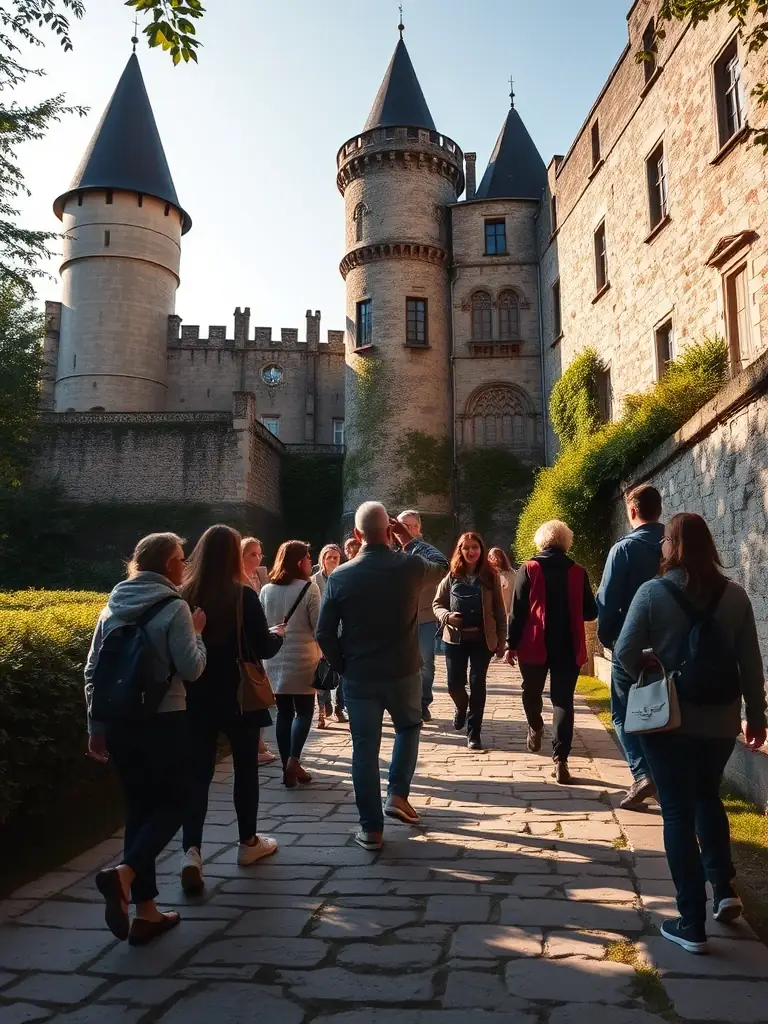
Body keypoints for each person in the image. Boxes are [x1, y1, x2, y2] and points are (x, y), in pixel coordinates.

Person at [614, 512, 767, 955]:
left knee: (677, 811)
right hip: (720, 722)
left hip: (668, 720)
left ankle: (690, 922)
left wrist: (651, 668)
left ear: (674, 546)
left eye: (665, 542)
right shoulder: (735, 596)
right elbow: (751, 664)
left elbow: (623, 652)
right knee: (708, 797)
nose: (661, 547)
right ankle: (725, 890)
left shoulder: (652, 593)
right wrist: (755, 716)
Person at [84, 532, 207, 944]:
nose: (185, 564)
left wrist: (95, 727)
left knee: (138, 810)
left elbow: (93, 674)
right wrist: (199, 632)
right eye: (181, 558)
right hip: (163, 719)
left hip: (118, 723)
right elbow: (191, 669)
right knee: (180, 801)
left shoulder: (111, 606)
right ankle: (125, 873)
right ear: (170, 564)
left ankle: (146, 912)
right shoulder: (175, 607)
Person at [316, 502, 447, 852]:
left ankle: (371, 829)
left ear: (357, 535)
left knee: (364, 749)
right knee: (408, 728)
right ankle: (398, 794)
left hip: (359, 674)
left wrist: (342, 664)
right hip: (403, 669)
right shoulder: (409, 565)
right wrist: (408, 541)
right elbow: (445, 566)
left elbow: (324, 633)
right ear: (389, 531)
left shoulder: (340, 576)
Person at [180, 525, 285, 894]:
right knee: (245, 769)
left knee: (197, 774)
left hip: (196, 695)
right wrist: (277, 634)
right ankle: (247, 843)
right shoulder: (243, 595)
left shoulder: (184, 594)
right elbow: (264, 648)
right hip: (239, 695)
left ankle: (191, 850)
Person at [505, 519, 597, 784]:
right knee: (563, 701)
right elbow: (591, 612)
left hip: (534, 643)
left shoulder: (529, 568)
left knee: (531, 692)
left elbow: (518, 611)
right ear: (566, 542)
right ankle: (561, 760)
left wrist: (511, 644)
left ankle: (535, 726)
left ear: (540, 540)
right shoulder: (578, 572)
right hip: (568, 645)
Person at [597, 484, 664, 810]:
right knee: (669, 711)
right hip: (674, 644)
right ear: (659, 510)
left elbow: (608, 602)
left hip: (632, 642)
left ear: (632, 511)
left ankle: (643, 774)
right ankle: (666, 775)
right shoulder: (676, 544)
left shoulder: (623, 550)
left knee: (625, 714)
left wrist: (608, 638)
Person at [433, 532, 506, 750]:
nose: (471, 551)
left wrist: (502, 641)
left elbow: (500, 612)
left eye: (475, 547)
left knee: (477, 684)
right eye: (467, 548)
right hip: (455, 640)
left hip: (482, 640)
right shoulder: (452, 576)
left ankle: (474, 732)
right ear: (460, 550)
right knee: (454, 685)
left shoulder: (490, 576)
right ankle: (461, 706)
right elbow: (437, 604)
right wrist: (447, 616)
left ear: (481, 550)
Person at [260, 541, 323, 788]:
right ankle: (294, 760)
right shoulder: (309, 588)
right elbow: (318, 626)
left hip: (274, 659)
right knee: (305, 711)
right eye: (308, 557)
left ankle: (286, 763)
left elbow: (263, 625)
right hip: (304, 658)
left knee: (284, 713)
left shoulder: (266, 590)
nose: (310, 561)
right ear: (300, 561)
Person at [397, 510, 449, 723]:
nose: (407, 530)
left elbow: (443, 566)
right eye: (402, 526)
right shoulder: (390, 551)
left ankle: (423, 703)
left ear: (419, 528)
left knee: (426, 662)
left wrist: (409, 543)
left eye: (410, 526)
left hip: (424, 617)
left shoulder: (426, 551)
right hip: (397, 620)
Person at [242, 536, 277, 765]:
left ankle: (259, 744)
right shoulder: (242, 583)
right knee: (254, 695)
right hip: (248, 649)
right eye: (252, 554)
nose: (258, 557)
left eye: (260, 553)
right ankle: (256, 746)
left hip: (256, 642)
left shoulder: (256, 577)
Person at [312, 544, 346, 727]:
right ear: (322, 559)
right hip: (322, 631)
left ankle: (340, 707)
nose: (333, 560)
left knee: (340, 670)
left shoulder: (343, 577)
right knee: (322, 670)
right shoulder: (314, 581)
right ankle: (322, 710)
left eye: (336, 557)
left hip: (340, 629)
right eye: (329, 557)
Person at [488, 547, 516, 617]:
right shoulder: (489, 575)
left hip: (511, 612)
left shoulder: (511, 574)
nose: (495, 559)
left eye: (497, 556)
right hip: (499, 614)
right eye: (491, 557)